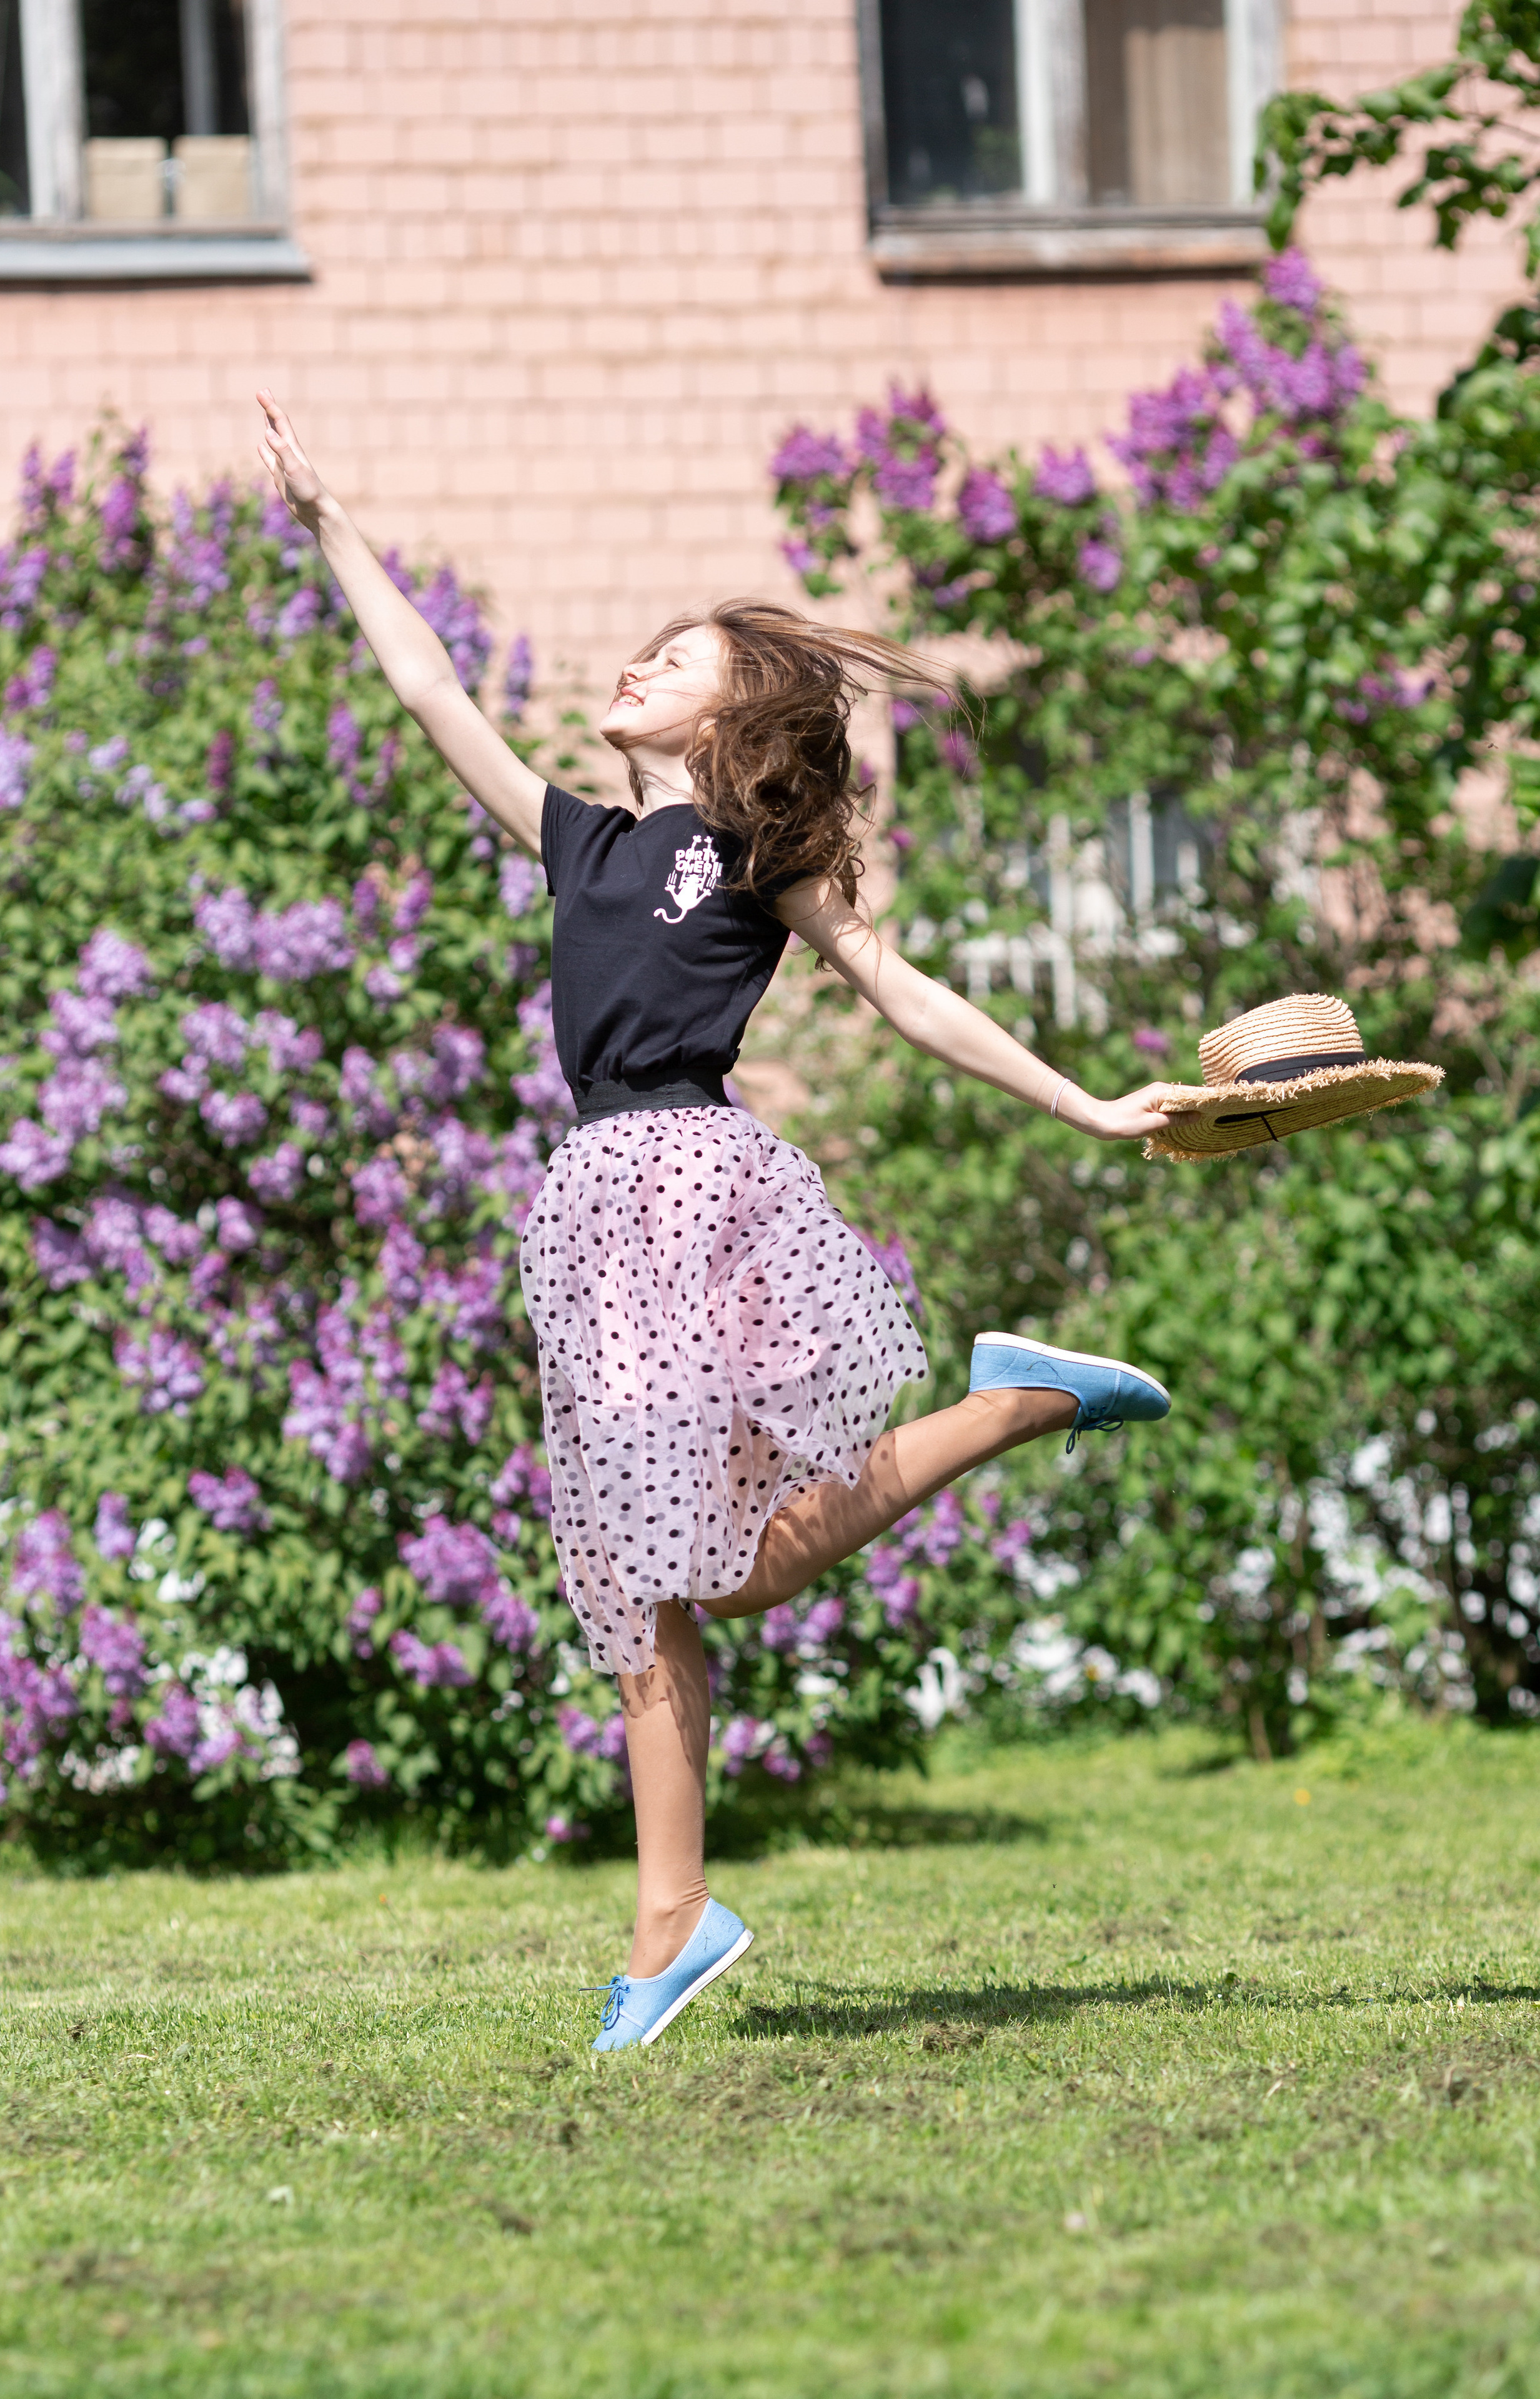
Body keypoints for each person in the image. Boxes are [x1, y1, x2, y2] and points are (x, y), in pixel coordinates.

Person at [256, 390, 1176, 2054]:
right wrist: (331, 523)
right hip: (600, 1201)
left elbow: (908, 997)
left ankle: (1015, 1403)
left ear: (732, 718)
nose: (635, 668)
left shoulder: (760, 860)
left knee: (689, 1574)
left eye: (675, 661)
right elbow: (424, 685)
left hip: (692, 1191)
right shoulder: (575, 840)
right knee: (650, 1579)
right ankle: (670, 1927)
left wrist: (1089, 1105)